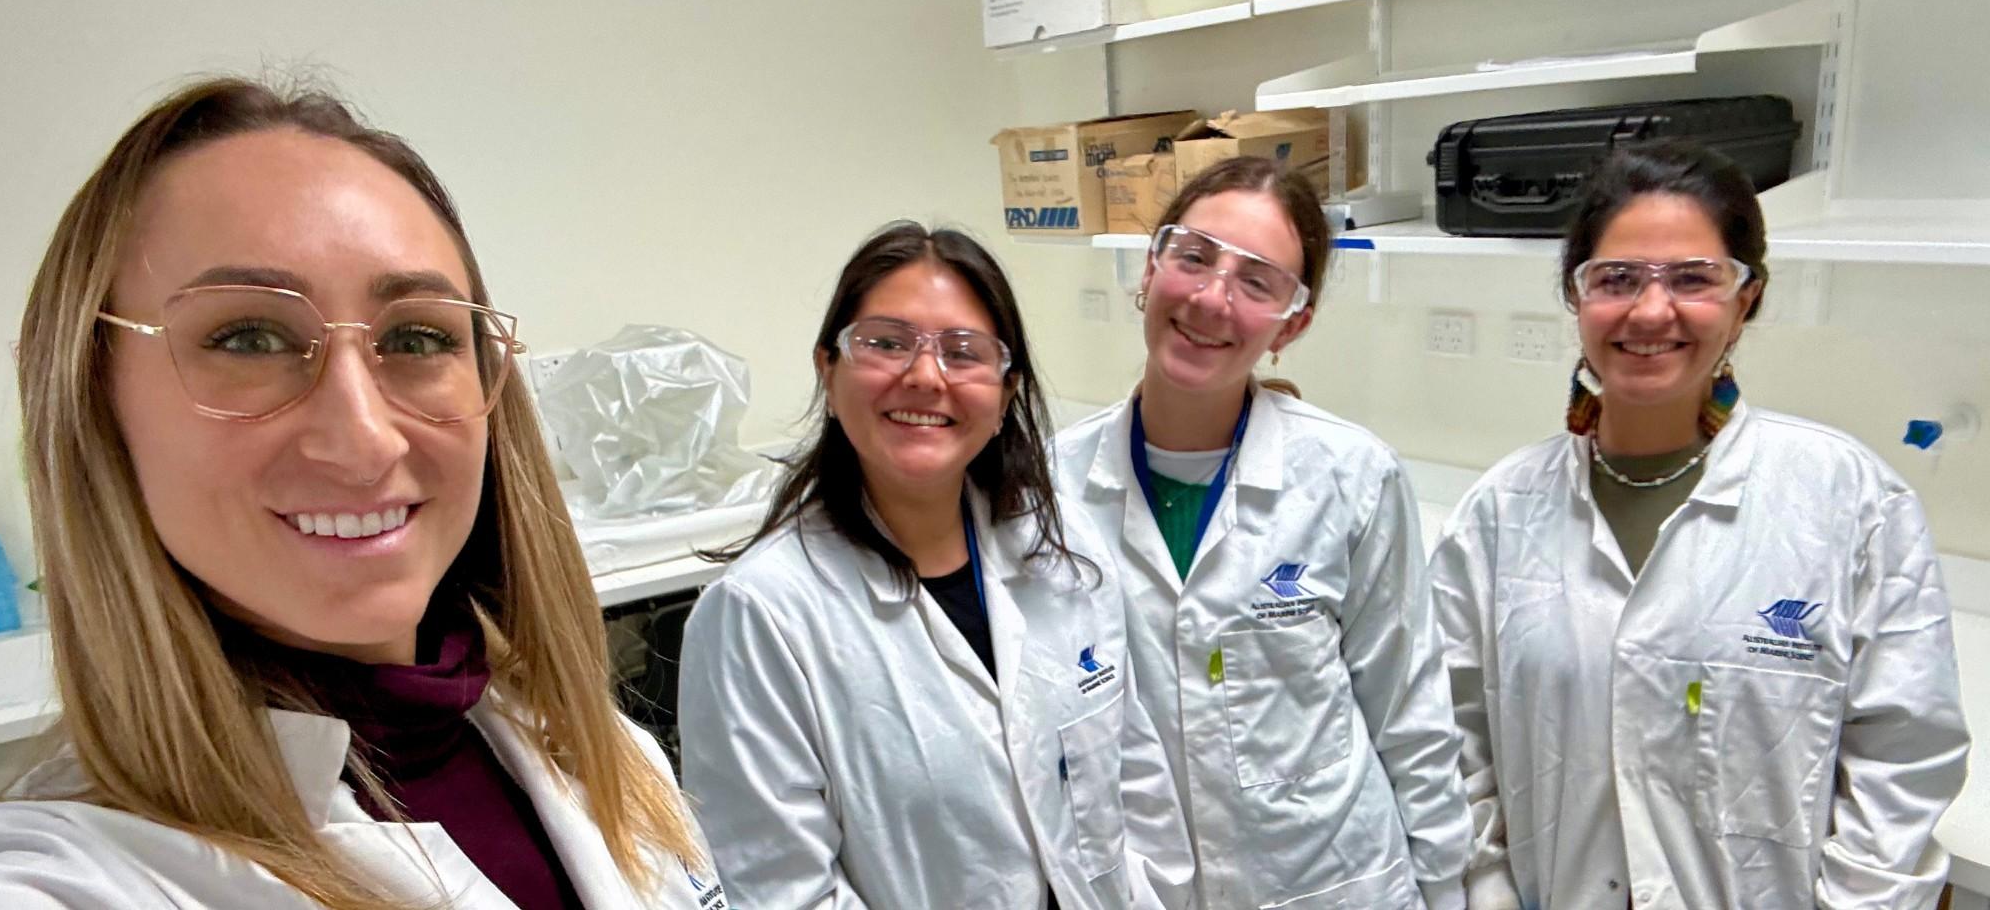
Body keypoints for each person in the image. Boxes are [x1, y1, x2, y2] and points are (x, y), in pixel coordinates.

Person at [0, 77, 722, 909]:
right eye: (249, 337)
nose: (365, 438)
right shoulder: (62, 876)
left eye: (417, 336)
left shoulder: (596, 752)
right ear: (92, 398)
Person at [1430, 140, 1969, 910]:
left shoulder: (1848, 503)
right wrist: (1487, 892)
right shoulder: (1499, 513)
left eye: (1693, 278)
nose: (1652, 310)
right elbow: (1455, 739)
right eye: (1616, 279)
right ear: (1577, 298)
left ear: (1744, 299)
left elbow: (1902, 762)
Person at [680, 222, 1194, 910]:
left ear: (1006, 391)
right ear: (828, 373)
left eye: (963, 352)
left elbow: (1137, 782)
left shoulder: (1063, 549)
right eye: (886, 343)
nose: (925, 376)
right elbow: (783, 891)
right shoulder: (760, 615)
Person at [1053, 156, 1473, 909]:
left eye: (1258, 282)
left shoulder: (1352, 476)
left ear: (1294, 322)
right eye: (1194, 258)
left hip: (1333, 883)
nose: (1214, 299)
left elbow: (1410, 712)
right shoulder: (1051, 489)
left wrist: (1445, 889)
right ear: (1149, 271)